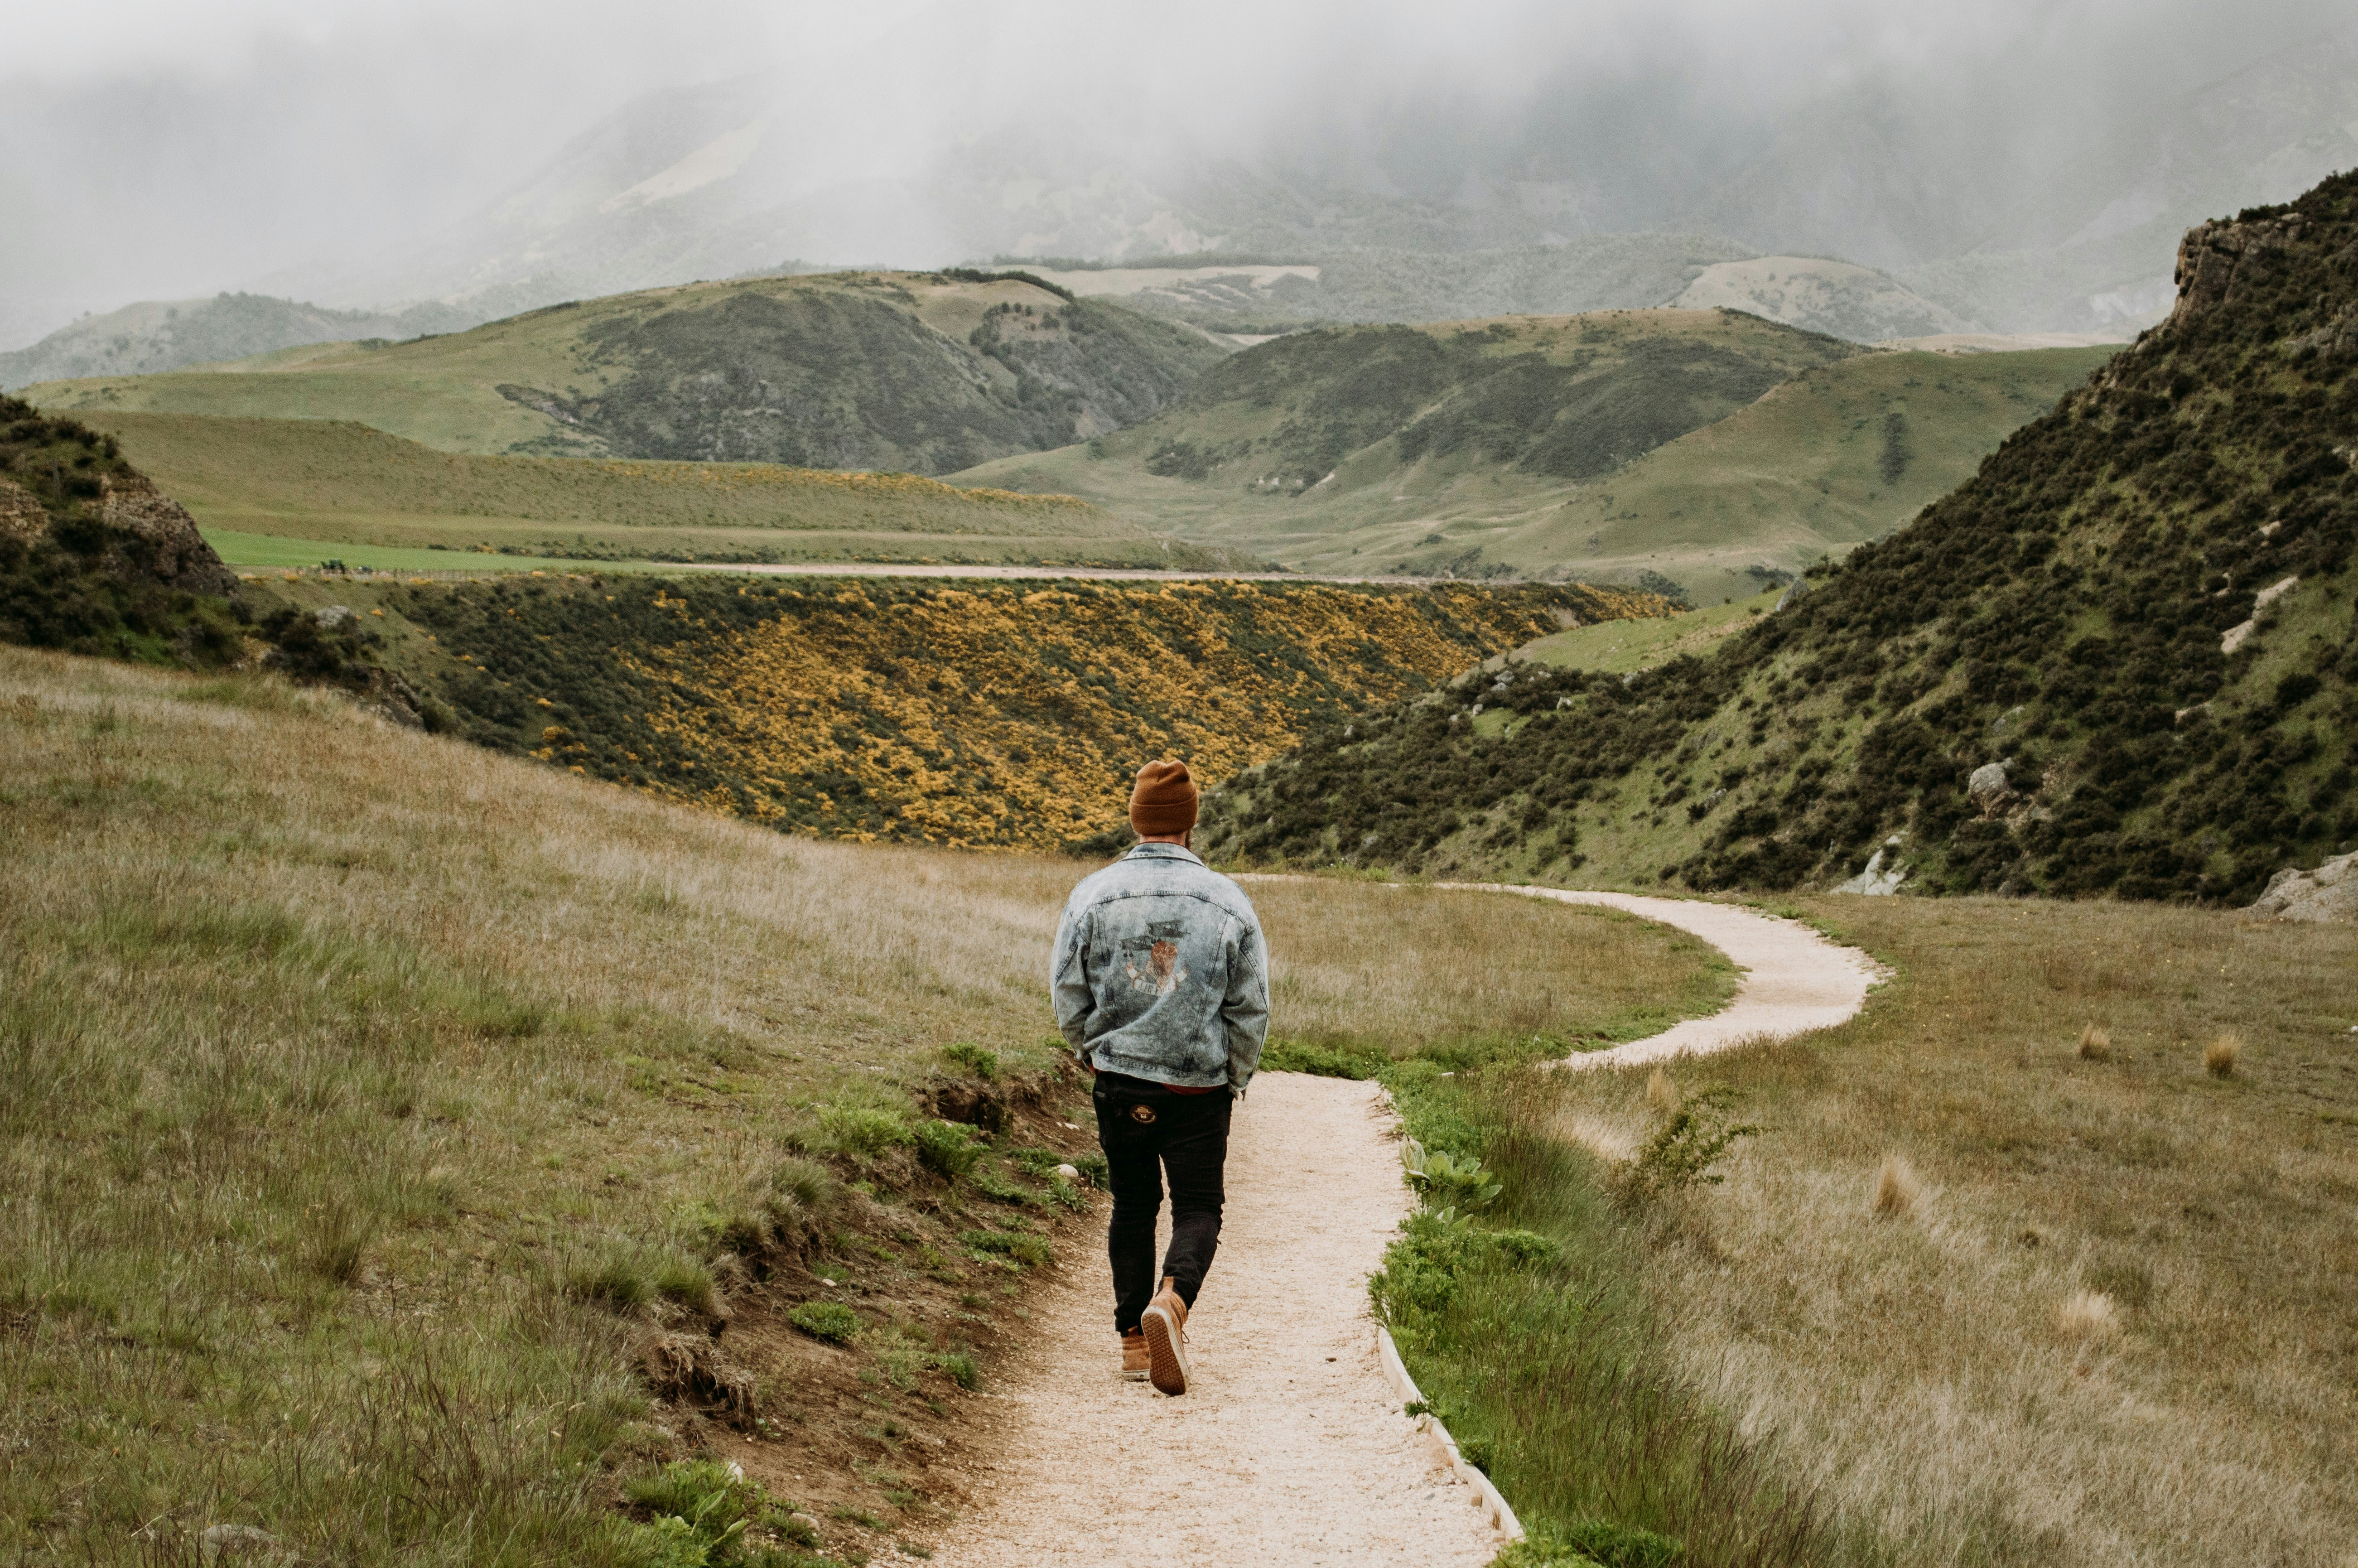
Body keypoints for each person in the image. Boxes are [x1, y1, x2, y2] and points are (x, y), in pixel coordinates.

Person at [1049, 759, 1268, 1396]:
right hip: (1196, 1086)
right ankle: (1171, 1301)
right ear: (1190, 824)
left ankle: (1132, 1342)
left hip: (1118, 1077)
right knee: (1198, 1205)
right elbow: (1250, 1005)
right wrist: (1236, 1072)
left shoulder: (1092, 893)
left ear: (1136, 818)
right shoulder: (1228, 900)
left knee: (1133, 1201)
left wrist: (1087, 1051)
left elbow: (1067, 989)